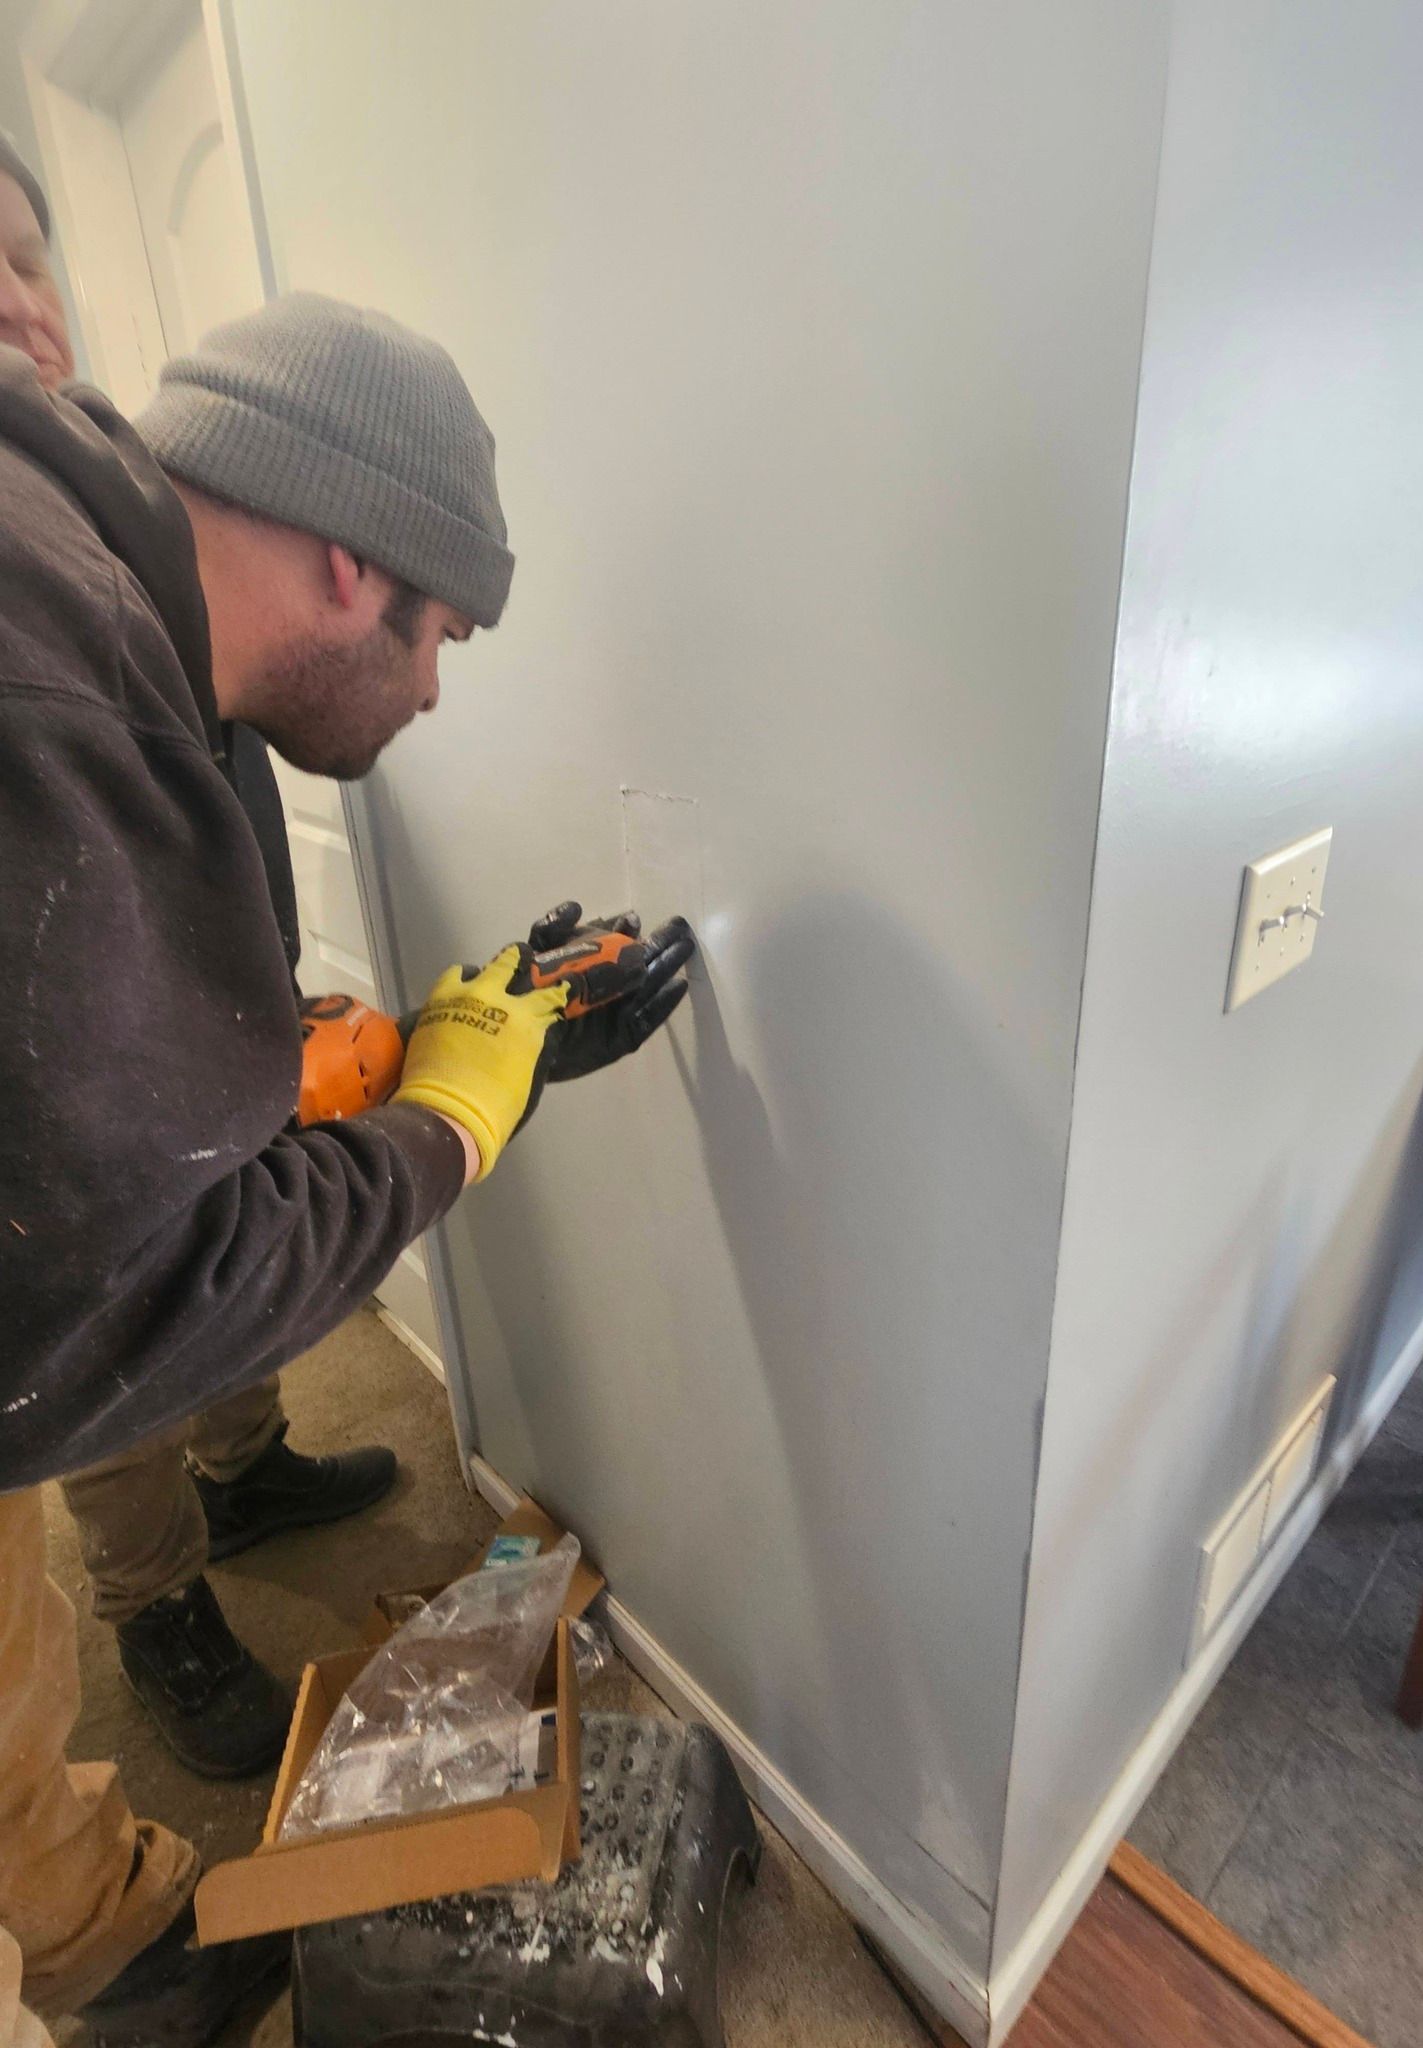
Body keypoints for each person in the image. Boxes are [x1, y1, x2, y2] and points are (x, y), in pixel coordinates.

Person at [0, 133, 692, 2045]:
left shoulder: (119, 612)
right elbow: (134, 1293)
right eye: (444, 638)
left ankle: (101, 1934)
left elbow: (120, 1033)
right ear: (345, 558)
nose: (442, 692)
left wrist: (356, 1050)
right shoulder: (54, 683)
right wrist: (452, 1122)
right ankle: (121, 1971)